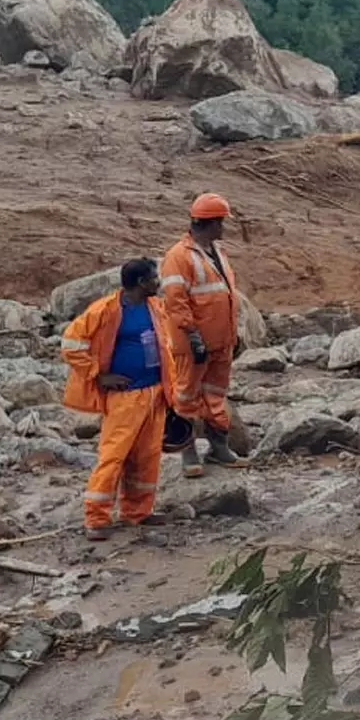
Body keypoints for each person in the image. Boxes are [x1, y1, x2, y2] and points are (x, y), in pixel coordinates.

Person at [61, 259, 177, 540]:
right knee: (114, 456)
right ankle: (96, 518)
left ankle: (137, 512)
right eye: (153, 278)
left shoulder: (154, 307)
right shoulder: (106, 310)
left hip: (154, 392)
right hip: (126, 397)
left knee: (147, 456)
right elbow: (71, 344)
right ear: (140, 283)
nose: (158, 283)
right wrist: (98, 375)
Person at [160, 192, 245, 476]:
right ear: (210, 222)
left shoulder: (217, 253)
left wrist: (235, 333)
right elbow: (175, 300)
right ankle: (189, 454)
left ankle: (218, 448)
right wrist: (193, 335)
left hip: (221, 341)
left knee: (216, 395)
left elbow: (226, 296)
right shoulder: (179, 257)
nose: (223, 228)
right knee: (187, 396)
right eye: (221, 222)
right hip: (194, 342)